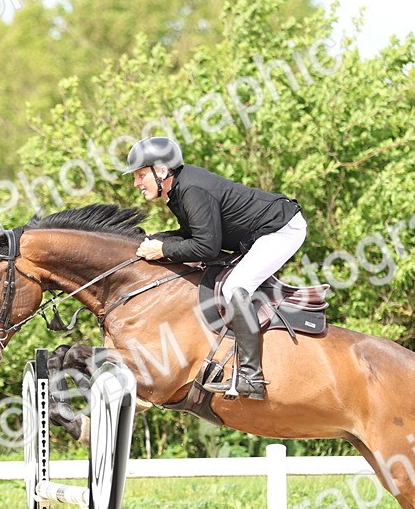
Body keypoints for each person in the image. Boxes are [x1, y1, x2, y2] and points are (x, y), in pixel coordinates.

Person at [125, 136, 306, 400]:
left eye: (141, 175)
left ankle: (251, 377)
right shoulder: (179, 190)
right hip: (260, 233)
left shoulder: (191, 190)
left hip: (281, 230)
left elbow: (206, 248)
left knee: (236, 287)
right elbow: (192, 233)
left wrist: (162, 249)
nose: (136, 183)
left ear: (161, 171)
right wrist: (158, 238)